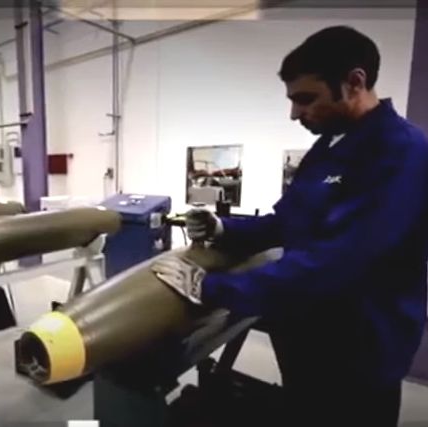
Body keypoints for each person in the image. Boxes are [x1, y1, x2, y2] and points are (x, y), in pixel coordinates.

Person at [152, 26, 428, 427]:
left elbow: (336, 262)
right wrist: (224, 228)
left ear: (354, 82)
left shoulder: (401, 152)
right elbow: (288, 221)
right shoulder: (328, 146)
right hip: (307, 335)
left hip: (359, 351)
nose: (295, 114)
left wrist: (209, 288)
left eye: (305, 98)